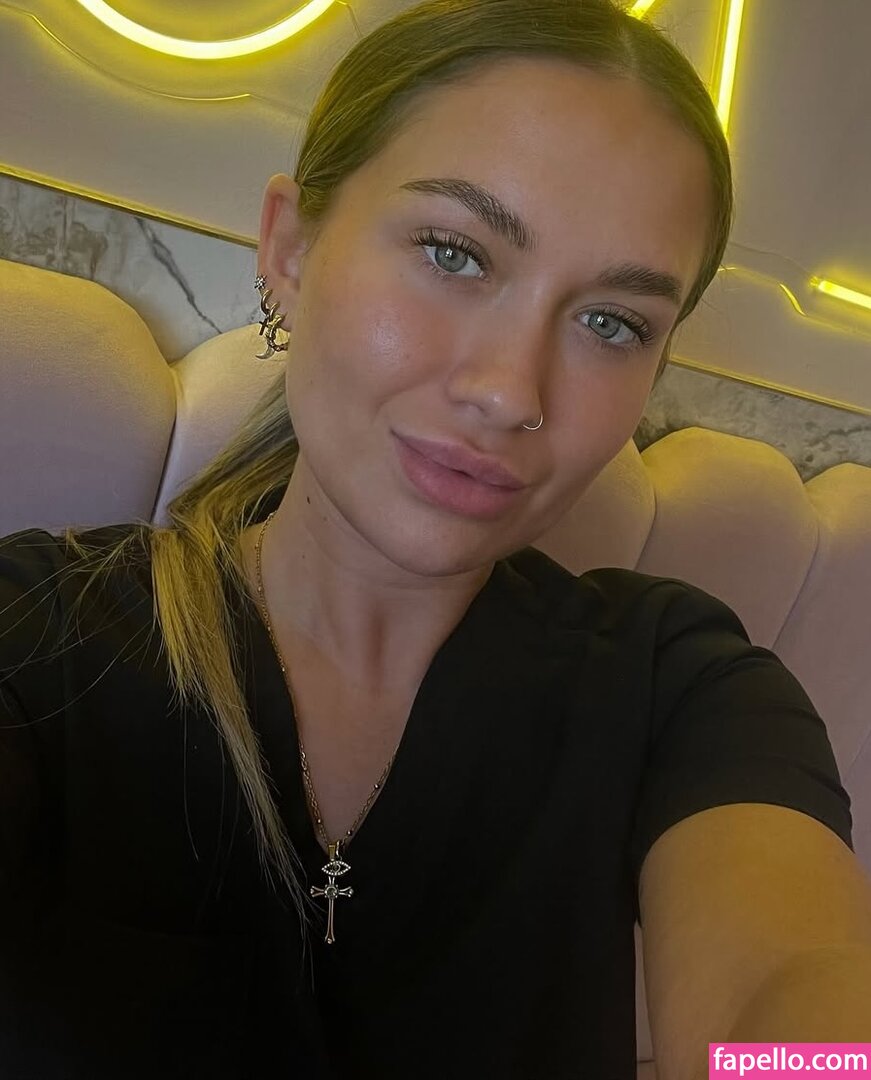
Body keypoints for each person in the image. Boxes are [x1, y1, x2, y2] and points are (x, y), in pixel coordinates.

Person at [2, 0, 871, 1077]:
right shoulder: (37, 635)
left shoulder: (678, 686)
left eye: (611, 322)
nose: (510, 392)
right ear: (291, 248)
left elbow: (777, 1008)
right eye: (453, 253)